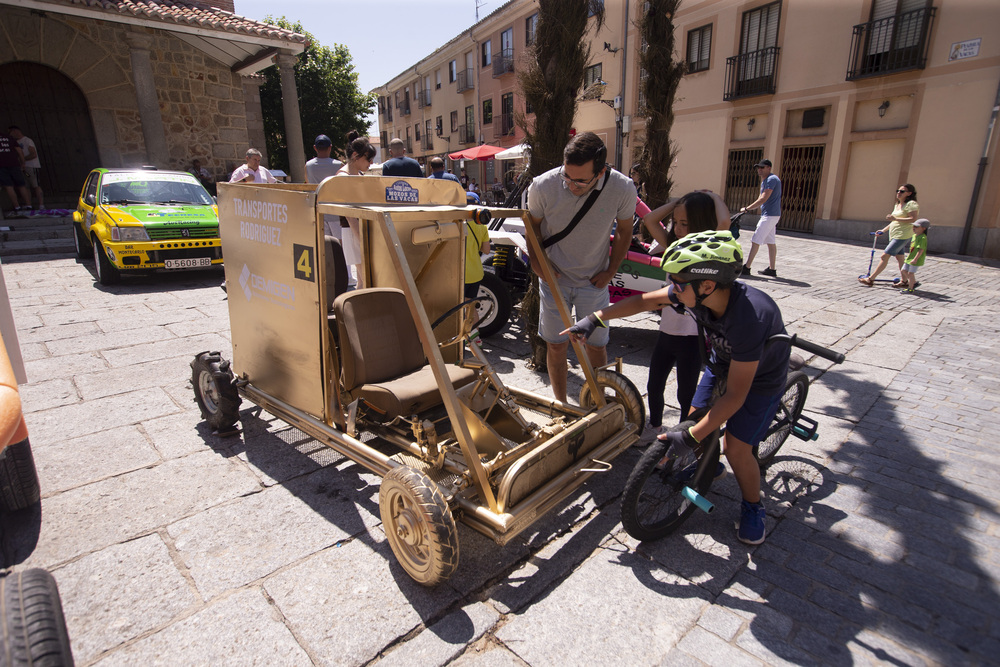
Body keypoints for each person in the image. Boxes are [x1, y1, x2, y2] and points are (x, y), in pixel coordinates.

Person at [563, 230, 787, 544]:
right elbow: (644, 302)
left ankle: (753, 506)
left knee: (735, 447)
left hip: (761, 378)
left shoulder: (750, 318)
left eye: (677, 283)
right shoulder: (693, 292)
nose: (672, 289)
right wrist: (596, 317)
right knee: (696, 418)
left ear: (707, 285)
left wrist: (694, 435)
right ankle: (707, 466)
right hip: (722, 361)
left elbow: (736, 394)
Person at [525, 131, 637, 402]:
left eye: (580, 181)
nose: (571, 185)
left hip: (593, 280)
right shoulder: (542, 186)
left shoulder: (622, 188)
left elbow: (624, 231)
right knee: (556, 344)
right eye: (567, 176)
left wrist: (610, 271)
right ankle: (562, 404)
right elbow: (533, 230)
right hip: (554, 279)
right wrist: (541, 269)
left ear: (600, 173)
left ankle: (598, 402)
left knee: (597, 346)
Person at [640, 191, 730, 434]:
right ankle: (655, 427)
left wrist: (712, 198)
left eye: (685, 224)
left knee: (686, 393)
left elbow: (723, 224)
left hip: (692, 338)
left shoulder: (708, 252)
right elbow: (649, 220)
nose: (678, 229)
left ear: (701, 224)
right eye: (676, 223)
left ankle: (682, 435)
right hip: (666, 333)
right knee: (654, 384)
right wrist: (679, 203)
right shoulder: (675, 246)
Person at [335, 130, 377, 286]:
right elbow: (348, 213)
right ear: (355, 155)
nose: (371, 162)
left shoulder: (356, 175)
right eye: (368, 158)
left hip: (358, 228)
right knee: (366, 279)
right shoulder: (343, 177)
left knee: (362, 280)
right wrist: (360, 235)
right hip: (353, 229)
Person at [858, 184, 919, 286]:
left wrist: (895, 219)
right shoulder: (897, 205)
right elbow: (894, 222)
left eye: (902, 191)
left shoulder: (911, 204)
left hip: (903, 235)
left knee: (884, 256)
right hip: (895, 234)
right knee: (900, 259)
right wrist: (883, 230)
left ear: (909, 193)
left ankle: (870, 279)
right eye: (898, 191)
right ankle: (905, 281)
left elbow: (913, 219)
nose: (899, 193)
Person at [740, 159, 782, 277]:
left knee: (756, 239)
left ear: (769, 168)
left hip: (770, 215)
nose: (759, 169)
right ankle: (772, 269)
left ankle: (747, 267)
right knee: (770, 241)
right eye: (758, 167)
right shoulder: (766, 180)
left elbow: (763, 198)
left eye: (762, 167)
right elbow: (761, 197)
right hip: (771, 215)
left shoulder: (771, 179)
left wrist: (747, 208)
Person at [306, 134, 345, 237]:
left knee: (324, 246)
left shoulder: (308, 166)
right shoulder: (339, 165)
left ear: (315, 148)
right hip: (335, 212)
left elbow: (307, 183)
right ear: (330, 147)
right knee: (340, 246)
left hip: (318, 212)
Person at [463, 191, 491, 298]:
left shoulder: (458, 224)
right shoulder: (482, 226)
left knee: (459, 310)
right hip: (476, 273)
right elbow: (487, 250)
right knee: (471, 307)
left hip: (462, 274)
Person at [7, 127, 42, 210]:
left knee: (36, 185)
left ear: (15, 131)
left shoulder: (27, 140)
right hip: (23, 168)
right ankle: (28, 204)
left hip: (31, 167)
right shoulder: (15, 142)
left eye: (10, 132)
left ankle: (41, 204)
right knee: (26, 186)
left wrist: (22, 159)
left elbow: (33, 154)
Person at [0, 130, 30, 213]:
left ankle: (17, 207)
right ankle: (29, 205)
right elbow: (19, 151)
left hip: (1, 165)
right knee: (21, 185)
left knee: (8, 186)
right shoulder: (9, 137)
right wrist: (23, 162)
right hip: (14, 163)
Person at [901, 219, 929, 293]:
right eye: (913, 226)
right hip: (910, 257)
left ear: (924, 228)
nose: (914, 228)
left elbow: (921, 249)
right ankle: (914, 282)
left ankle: (910, 288)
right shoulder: (914, 236)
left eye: (916, 227)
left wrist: (915, 259)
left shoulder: (922, 238)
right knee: (903, 270)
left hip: (916, 258)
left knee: (910, 273)